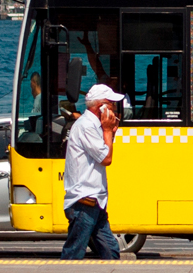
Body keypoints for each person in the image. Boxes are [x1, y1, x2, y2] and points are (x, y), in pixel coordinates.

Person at [61, 83, 123, 260]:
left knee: (111, 250)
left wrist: (109, 132)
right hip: (84, 201)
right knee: (73, 253)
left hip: (95, 202)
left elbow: (103, 151)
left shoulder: (93, 125)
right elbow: (106, 159)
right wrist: (107, 131)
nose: (114, 109)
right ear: (101, 107)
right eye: (111, 104)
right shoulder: (87, 126)